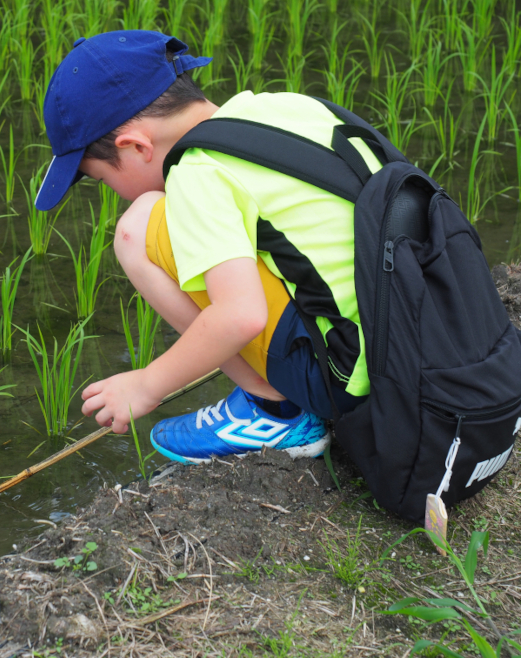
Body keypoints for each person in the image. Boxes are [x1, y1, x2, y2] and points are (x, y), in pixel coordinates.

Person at [34, 30, 373, 464]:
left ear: (136, 146)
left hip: (345, 380)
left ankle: (276, 410)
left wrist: (146, 385)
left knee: (136, 229)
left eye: (103, 179)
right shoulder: (281, 108)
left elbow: (241, 314)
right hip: (395, 350)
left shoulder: (197, 170)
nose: (113, 192)